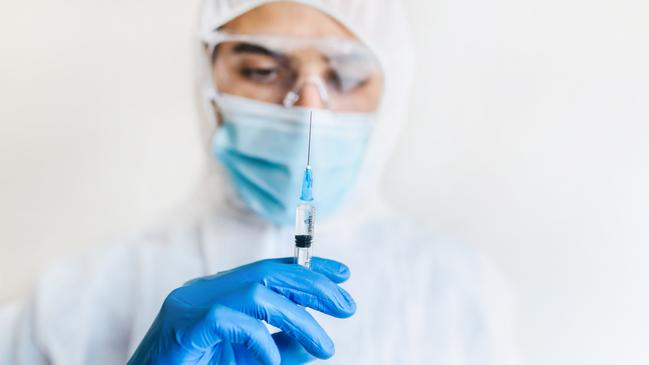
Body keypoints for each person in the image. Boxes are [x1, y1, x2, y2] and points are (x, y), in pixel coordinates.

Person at [0, 0, 516, 364]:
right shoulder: (75, 300)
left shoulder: (453, 289)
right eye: (263, 71)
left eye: (346, 76)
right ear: (208, 79)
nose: (309, 107)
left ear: (391, 89)